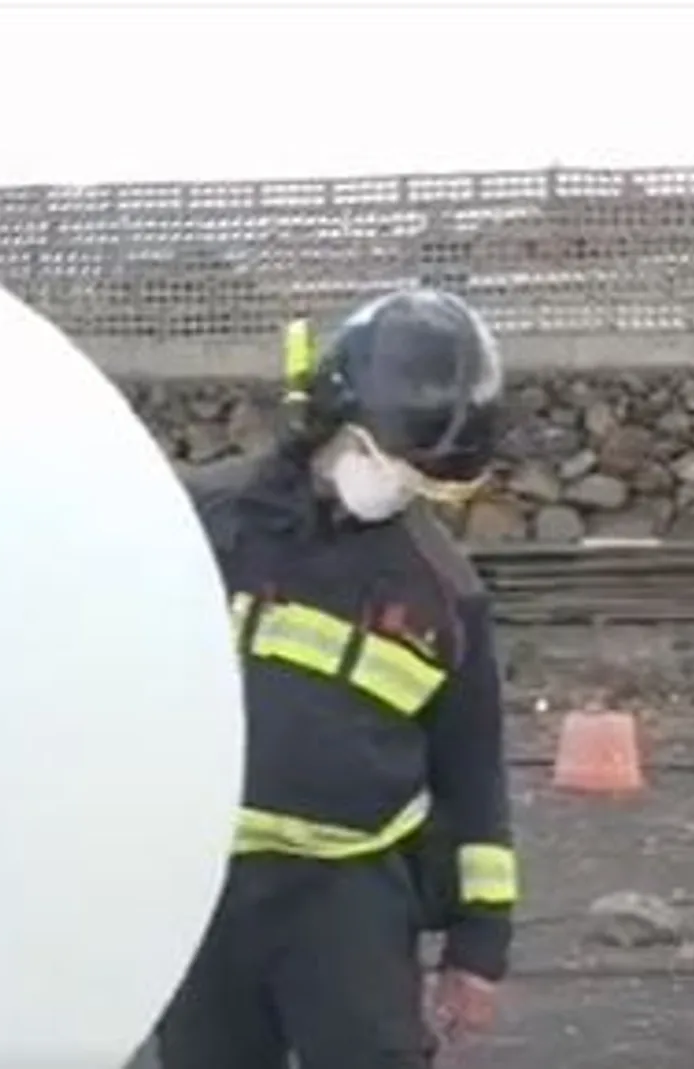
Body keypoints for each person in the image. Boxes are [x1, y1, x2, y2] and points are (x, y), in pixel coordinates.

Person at [154, 288, 520, 1069]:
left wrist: (477, 949)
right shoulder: (197, 524)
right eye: (391, 462)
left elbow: (473, 777)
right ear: (328, 415)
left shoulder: (442, 593)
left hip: (350, 901)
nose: (398, 487)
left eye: (425, 482)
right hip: (195, 888)